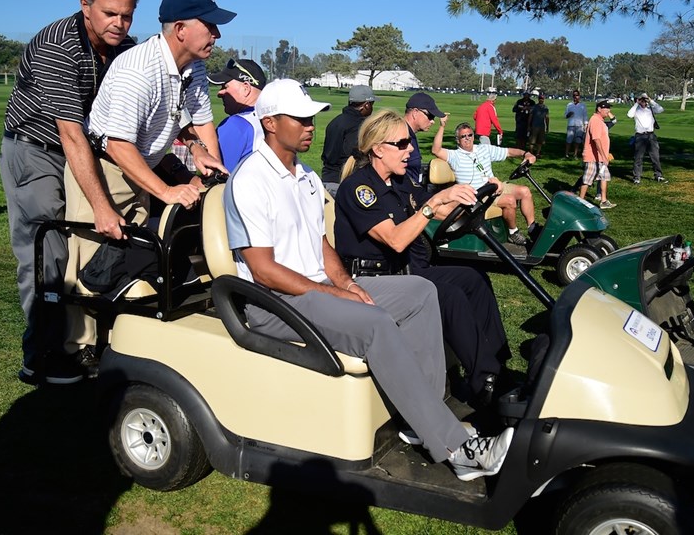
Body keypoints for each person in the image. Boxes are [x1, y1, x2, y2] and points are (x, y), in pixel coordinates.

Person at [225, 79, 513, 481]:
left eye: (312, 118)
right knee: (376, 324)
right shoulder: (251, 179)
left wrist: (345, 284)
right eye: (301, 118)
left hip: (312, 289)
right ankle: (456, 449)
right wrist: (333, 292)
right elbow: (263, 270)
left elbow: (321, 245)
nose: (311, 125)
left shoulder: (305, 177)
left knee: (421, 290)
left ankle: (424, 419)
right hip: (274, 301)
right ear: (270, 123)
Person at [63, 0, 231, 354]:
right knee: (92, 262)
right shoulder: (137, 68)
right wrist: (167, 191)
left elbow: (201, 121)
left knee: (128, 260)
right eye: (211, 26)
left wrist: (206, 160)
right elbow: (118, 144)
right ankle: (80, 349)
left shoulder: (195, 67)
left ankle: (119, 342)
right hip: (104, 169)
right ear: (181, 29)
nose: (217, 35)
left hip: (143, 168)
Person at [0, 0, 140, 384]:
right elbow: (71, 133)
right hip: (36, 150)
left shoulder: (124, 48)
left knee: (86, 249)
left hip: (77, 152)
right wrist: (101, 205)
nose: (119, 24)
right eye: (110, 13)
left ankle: (84, 343)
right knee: (47, 253)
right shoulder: (57, 45)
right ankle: (39, 356)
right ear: (85, 5)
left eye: (127, 15)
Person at [335, 109, 512, 405]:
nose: (410, 150)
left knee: (473, 276)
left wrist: (470, 200)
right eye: (401, 144)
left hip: (403, 272)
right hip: (372, 281)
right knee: (449, 294)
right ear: (378, 149)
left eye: (409, 143)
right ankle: (485, 382)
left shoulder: (400, 182)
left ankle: (498, 364)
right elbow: (396, 239)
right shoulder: (359, 189)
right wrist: (433, 204)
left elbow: (435, 210)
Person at [431, 120, 538, 245]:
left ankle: (532, 228)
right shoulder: (454, 156)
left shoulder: (483, 149)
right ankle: (513, 232)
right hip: (479, 195)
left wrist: (526, 154)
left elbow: (508, 152)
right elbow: (436, 150)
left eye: (470, 135)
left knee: (524, 191)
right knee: (509, 200)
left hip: (495, 186)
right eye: (463, 136)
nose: (467, 138)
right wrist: (442, 126)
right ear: (458, 140)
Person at [209, 58, 267, 172]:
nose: (220, 93)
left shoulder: (235, 125)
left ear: (246, 88)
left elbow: (216, 177)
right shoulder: (273, 120)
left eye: (225, 86)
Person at [321, 85, 378, 195]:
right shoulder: (358, 126)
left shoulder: (336, 121)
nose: (372, 108)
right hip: (343, 182)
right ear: (366, 105)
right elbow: (354, 156)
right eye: (372, 104)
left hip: (327, 178)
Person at [578, 101, 617, 209]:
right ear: (599, 109)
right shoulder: (595, 120)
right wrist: (603, 155)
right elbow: (596, 139)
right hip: (593, 157)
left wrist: (604, 155)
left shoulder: (601, 121)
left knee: (604, 177)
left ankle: (603, 201)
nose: (608, 111)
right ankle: (580, 201)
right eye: (606, 109)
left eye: (609, 108)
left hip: (600, 157)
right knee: (587, 179)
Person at [403, 92, 445, 183]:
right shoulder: (400, 135)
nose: (433, 121)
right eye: (430, 116)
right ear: (415, 112)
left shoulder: (409, 134)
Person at [628, 93, 667, 184]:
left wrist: (651, 101)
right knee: (638, 157)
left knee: (655, 157)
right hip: (640, 135)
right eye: (642, 100)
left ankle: (658, 175)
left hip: (651, 135)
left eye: (645, 100)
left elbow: (661, 109)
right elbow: (629, 115)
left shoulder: (651, 109)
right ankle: (637, 177)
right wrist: (636, 103)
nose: (644, 102)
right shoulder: (636, 110)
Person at [564, 89, 588, 159]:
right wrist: (569, 114)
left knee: (577, 141)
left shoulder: (582, 105)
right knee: (568, 140)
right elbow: (565, 115)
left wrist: (586, 125)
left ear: (579, 96)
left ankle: (575, 154)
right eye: (574, 95)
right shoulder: (569, 105)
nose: (575, 97)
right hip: (571, 125)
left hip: (579, 125)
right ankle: (566, 154)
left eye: (577, 95)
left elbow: (585, 116)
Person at [526, 92, 549, 157]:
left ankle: (538, 153)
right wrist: (529, 126)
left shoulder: (545, 108)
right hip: (534, 126)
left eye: (542, 98)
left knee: (540, 141)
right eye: (540, 98)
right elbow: (530, 117)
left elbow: (547, 117)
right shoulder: (534, 107)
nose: (541, 100)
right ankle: (531, 152)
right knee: (532, 141)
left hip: (542, 126)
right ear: (538, 99)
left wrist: (547, 126)